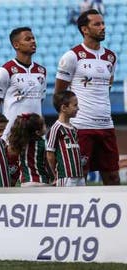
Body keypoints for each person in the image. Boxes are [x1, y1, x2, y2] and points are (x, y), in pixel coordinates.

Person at [55, 9, 119, 185]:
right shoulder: (72, 56)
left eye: (103, 23)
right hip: (81, 126)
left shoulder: (110, 57)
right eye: (97, 24)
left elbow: (108, 86)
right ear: (84, 29)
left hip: (106, 125)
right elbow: (60, 94)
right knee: (78, 176)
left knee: (113, 176)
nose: (103, 27)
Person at [0, 27, 46, 141]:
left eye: (33, 38)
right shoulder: (5, 71)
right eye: (28, 39)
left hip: (36, 134)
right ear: (16, 45)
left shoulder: (41, 71)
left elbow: (40, 101)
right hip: (13, 135)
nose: (33, 41)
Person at [47, 91, 83, 187]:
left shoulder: (74, 129)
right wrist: (54, 175)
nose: (78, 108)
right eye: (75, 105)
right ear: (64, 108)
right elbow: (50, 154)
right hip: (65, 176)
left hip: (79, 175)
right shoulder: (56, 128)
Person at [8, 113, 53, 187]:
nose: (46, 126)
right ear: (37, 132)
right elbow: (49, 162)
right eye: (44, 125)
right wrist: (53, 177)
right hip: (42, 182)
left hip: (26, 183)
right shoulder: (44, 144)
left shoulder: (19, 144)